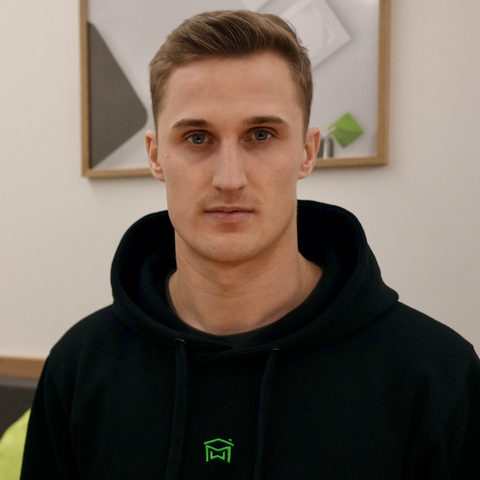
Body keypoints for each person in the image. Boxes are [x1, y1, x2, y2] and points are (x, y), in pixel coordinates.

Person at [21, 10, 480, 480]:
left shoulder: (435, 373)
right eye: (197, 137)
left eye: (261, 135)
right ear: (156, 156)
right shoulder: (78, 366)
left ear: (307, 152)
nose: (229, 179)